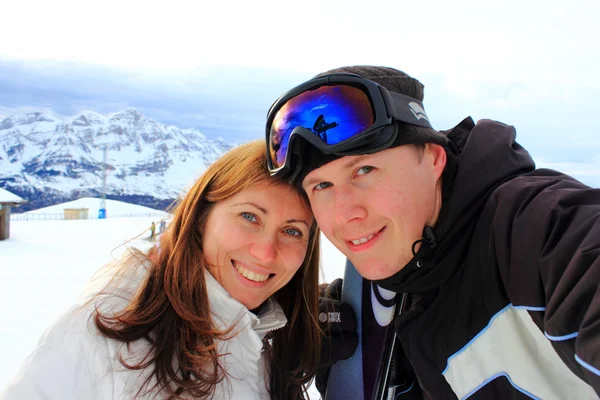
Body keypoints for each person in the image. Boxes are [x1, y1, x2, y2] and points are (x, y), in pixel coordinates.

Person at [264, 66, 600, 399]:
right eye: (322, 185)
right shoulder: (407, 283)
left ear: (434, 158)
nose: (345, 214)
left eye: (365, 170)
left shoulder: (535, 228)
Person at [1, 140, 321, 400]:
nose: (266, 252)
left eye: (292, 231)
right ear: (200, 218)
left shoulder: (262, 341)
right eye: (249, 217)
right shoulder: (111, 332)